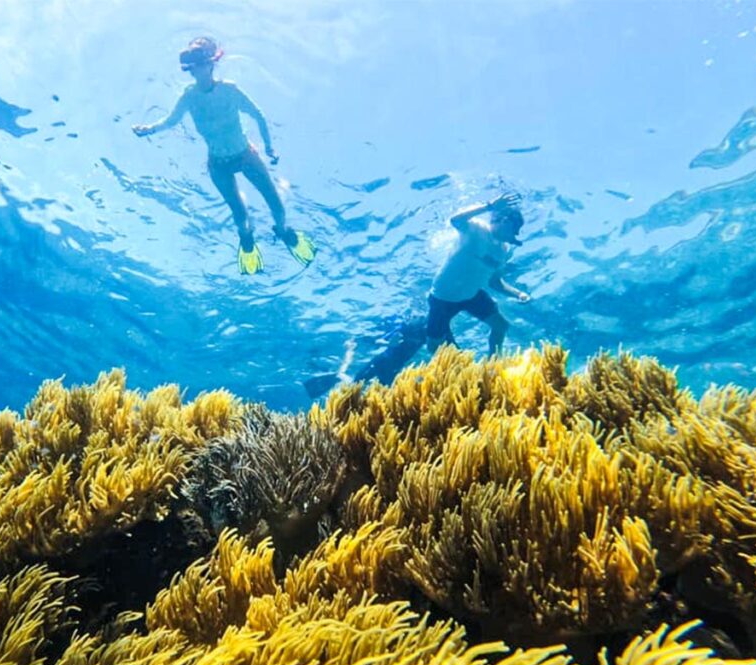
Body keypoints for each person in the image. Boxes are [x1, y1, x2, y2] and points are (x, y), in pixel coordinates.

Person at [304, 192, 531, 397]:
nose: (517, 233)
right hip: (443, 297)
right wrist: (489, 205)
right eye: (515, 227)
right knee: (435, 348)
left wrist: (518, 293)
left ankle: (493, 367)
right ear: (501, 220)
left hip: (472, 295)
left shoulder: (503, 251)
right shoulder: (476, 228)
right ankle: (449, 379)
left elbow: (495, 282)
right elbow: (455, 220)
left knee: (501, 325)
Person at [133, 37, 316, 275]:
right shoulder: (188, 97)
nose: (196, 70)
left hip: (245, 155)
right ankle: (247, 241)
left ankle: (282, 231)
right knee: (240, 215)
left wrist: (269, 147)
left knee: (276, 204)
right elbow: (171, 121)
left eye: (200, 63)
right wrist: (149, 130)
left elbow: (258, 115)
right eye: (193, 65)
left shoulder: (230, 90)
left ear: (211, 64)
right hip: (218, 164)